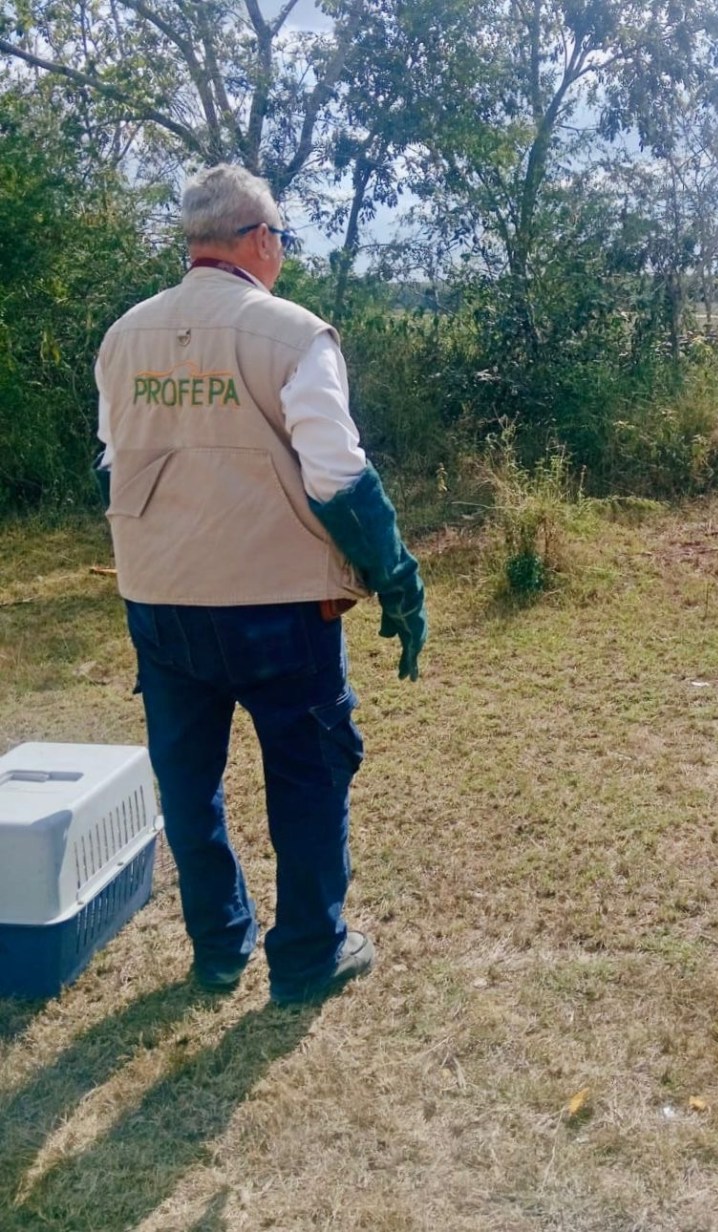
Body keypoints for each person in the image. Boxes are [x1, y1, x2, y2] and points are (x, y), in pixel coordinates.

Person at [94, 163, 426, 1007]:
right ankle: (311, 955)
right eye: (279, 238)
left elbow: (114, 460)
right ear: (259, 241)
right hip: (280, 607)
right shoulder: (293, 334)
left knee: (187, 782)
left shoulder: (123, 336)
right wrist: (396, 578)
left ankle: (219, 948)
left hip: (162, 606)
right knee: (309, 777)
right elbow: (337, 476)